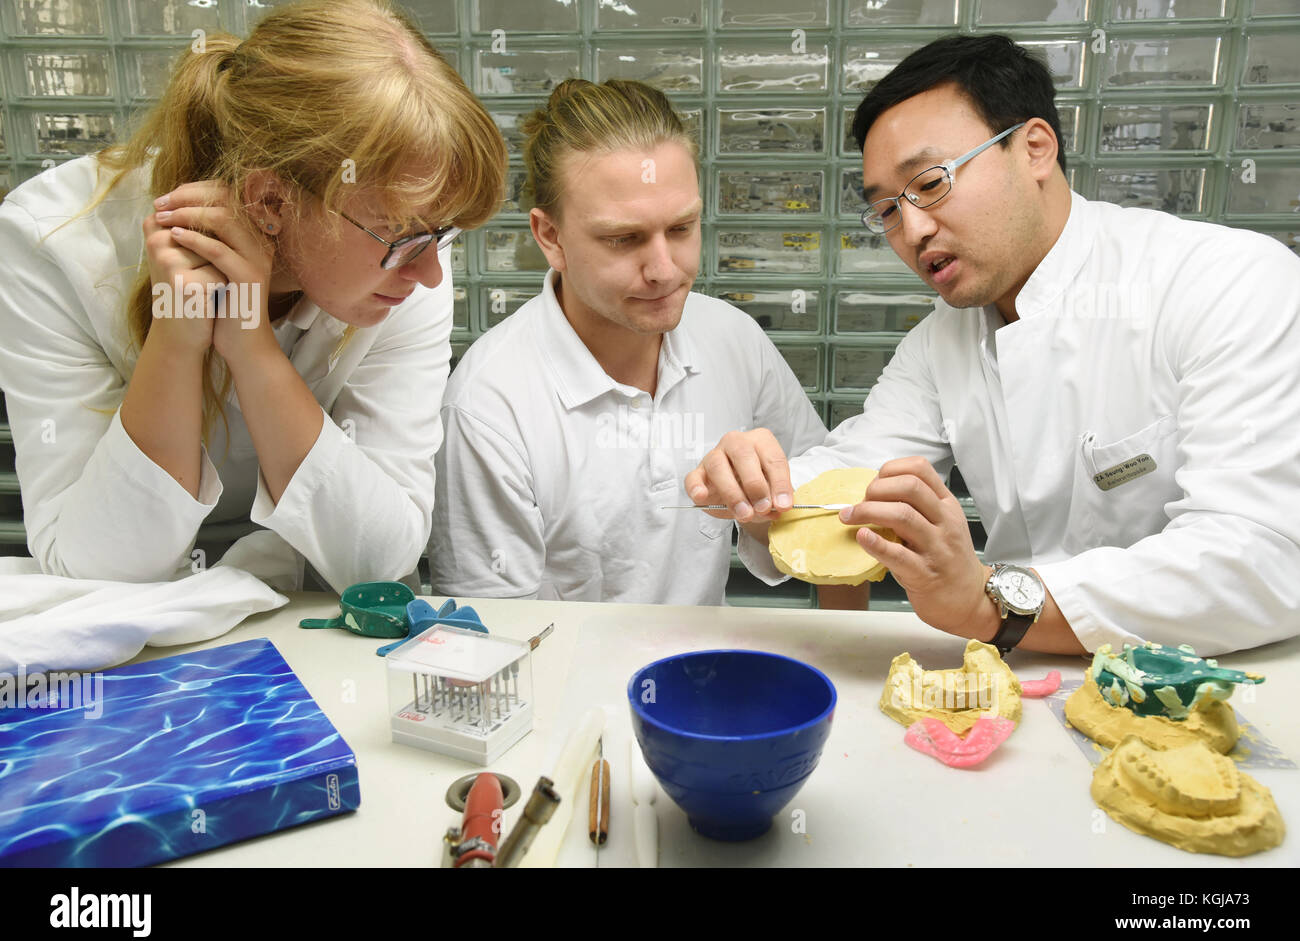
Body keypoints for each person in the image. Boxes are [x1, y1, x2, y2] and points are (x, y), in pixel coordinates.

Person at [685, 34, 1300, 656]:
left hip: (1221, 687)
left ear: (1034, 148)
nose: (914, 229)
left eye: (929, 183)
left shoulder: (1226, 282)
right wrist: (760, 491)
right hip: (1024, 685)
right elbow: (859, 477)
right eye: (888, 210)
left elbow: (1261, 555)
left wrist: (989, 600)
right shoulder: (939, 343)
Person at [0, 0, 506, 592]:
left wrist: (252, 350)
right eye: (403, 239)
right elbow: (96, 570)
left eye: (440, 235)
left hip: (303, 617)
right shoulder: (53, 238)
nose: (429, 276)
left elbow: (378, 563)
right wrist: (177, 337)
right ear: (271, 204)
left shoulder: (406, 254)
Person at [429, 79, 828, 605]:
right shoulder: (488, 404)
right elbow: (488, 640)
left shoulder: (732, 338)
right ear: (550, 237)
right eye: (623, 239)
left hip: (703, 675)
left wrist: (764, 508)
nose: (665, 270)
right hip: (562, 685)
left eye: (682, 228)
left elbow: (832, 521)